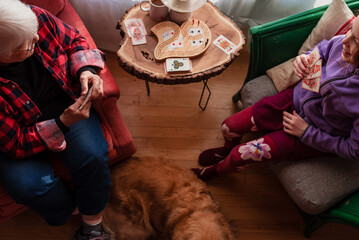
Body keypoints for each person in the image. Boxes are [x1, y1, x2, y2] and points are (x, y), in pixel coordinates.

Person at [192, 15, 359, 181]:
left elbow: (353, 150)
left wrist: (307, 133)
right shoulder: (341, 43)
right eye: (351, 29)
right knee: (228, 127)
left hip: (313, 133)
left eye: (357, 41)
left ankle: (216, 171)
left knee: (239, 156)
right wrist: (305, 59)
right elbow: (323, 50)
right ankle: (226, 150)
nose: (345, 40)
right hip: (294, 99)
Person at [0, 0, 111, 239]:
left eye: (34, 32)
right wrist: (61, 124)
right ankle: (66, 211)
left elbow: (74, 41)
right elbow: (16, 143)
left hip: (64, 102)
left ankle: (92, 224)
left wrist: (86, 71)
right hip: (16, 136)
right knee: (28, 187)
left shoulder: (27, 19)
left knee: (92, 156)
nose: (37, 38)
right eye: (27, 43)